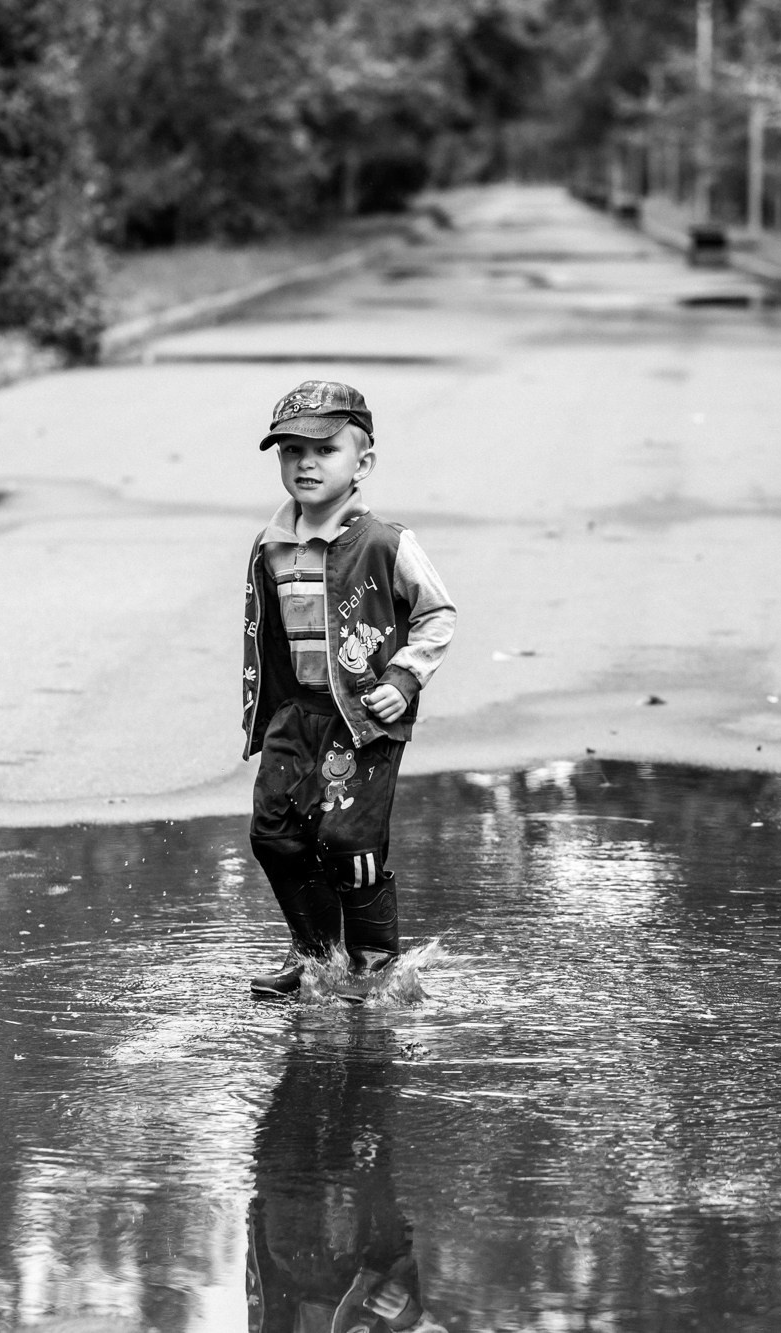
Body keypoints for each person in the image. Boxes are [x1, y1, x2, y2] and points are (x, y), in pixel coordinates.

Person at [243, 380, 457, 998]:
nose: (305, 463)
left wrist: (405, 676)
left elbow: (437, 614)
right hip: (298, 714)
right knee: (275, 835)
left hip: (362, 718)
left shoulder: (386, 543)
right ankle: (315, 956)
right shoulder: (270, 545)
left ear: (361, 463)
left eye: (325, 450)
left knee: (349, 843)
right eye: (289, 451)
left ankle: (374, 964)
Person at [248, 1023, 447, 1333]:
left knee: (300, 1082)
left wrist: (258, 1213)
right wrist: (407, 1316)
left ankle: (315, 1004)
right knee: (366, 1096)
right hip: (367, 1250)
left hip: (287, 1237)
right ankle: (371, 1017)